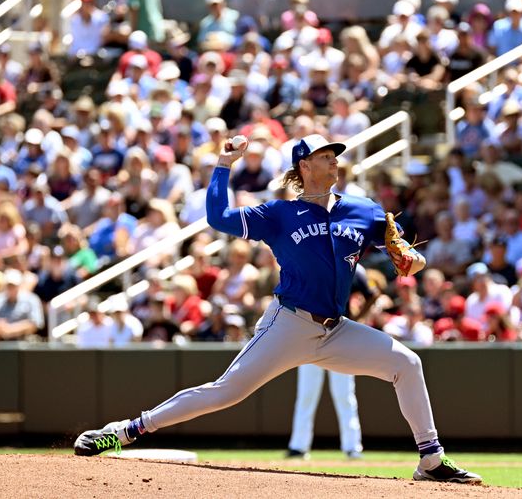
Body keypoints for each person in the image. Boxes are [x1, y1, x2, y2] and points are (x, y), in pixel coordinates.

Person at [73, 134, 481, 484]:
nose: (334, 160)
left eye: (334, 155)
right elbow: (218, 217)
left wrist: (412, 258)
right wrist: (223, 165)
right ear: (304, 165)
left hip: (336, 330)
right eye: (325, 156)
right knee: (226, 392)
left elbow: (405, 252)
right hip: (289, 324)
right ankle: (126, 430)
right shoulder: (279, 214)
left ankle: (430, 460)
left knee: (407, 364)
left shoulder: (363, 209)